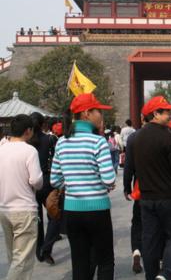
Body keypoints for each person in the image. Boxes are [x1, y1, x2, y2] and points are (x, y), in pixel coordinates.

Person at [50, 93, 116, 280]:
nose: (101, 116)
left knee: (79, 262)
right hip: (98, 210)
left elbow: (54, 180)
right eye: (99, 111)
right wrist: (100, 182)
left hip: (72, 211)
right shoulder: (98, 141)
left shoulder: (62, 142)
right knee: (104, 261)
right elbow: (109, 179)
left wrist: (73, 181)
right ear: (87, 113)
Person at [132, 96, 171, 280]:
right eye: (166, 112)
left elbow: (133, 167)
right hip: (168, 198)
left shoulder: (136, 138)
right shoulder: (167, 137)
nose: (169, 115)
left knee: (150, 239)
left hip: (147, 199)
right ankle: (166, 274)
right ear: (155, 114)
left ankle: (151, 276)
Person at [0, 114, 43, 280]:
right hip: (24, 208)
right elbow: (36, 180)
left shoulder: (1, 148)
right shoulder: (29, 150)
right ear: (28, 131)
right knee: (22, 260)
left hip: (4, 208)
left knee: (13, 256)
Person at [28, 112, 59, 265]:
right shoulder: (50, 139)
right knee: (55, 215)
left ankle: (39, 249)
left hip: (31, 185)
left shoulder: (26, 143)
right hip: (47, 182)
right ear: (43, 124)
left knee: (38, 220)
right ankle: (47, 248)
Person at [123, 116, 146, 274]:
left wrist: (126, 187)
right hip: (161, 191)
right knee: (155, 225)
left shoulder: (133, 138)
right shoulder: (166, 135)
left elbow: (128, 166)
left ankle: (137, 252)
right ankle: (157, 257)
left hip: (140, 188)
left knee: (137, 222)